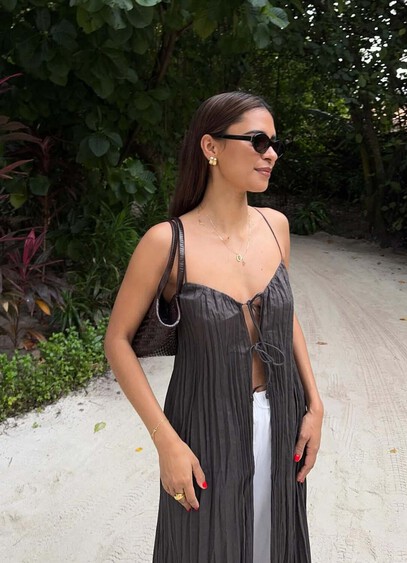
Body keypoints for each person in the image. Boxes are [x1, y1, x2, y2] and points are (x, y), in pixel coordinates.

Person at [104, 91, 323, 562]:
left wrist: (315, 405)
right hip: (203, 427)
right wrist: (166, 442)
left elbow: (285, 318)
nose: (271, 154)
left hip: (284, 419)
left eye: (275, 143)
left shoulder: (276, 227)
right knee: (205, 545)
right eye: (258, 141)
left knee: (274, 541)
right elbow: (117, 341)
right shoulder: (167, 243)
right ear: (211, 147)